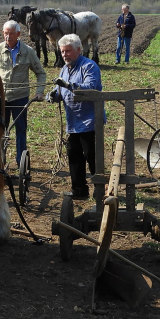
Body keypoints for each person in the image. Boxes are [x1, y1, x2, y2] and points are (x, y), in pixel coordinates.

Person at [48, 34, 103, 200]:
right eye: (62, 51)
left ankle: (101, 190)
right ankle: (79, 190)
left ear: (79, 50)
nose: (64, 55)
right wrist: (53, 95)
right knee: (75, 156)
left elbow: (90, 88)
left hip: (90, 121)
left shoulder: (89, 66)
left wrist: (68, 85)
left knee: (92, 157)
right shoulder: (65, 69)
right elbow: (61, 91)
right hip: (73, 121)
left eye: (68, 51)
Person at [0, 20, 47, 165]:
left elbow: (40, 73)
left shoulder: (28, 52)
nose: (8, 37)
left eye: (11, 34)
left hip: (20, 98)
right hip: (2, 98)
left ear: (18, 34)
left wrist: (39, 92)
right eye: (5, 33)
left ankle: (21, 161)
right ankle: (0, 162)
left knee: (20, 130)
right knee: (0, 131)